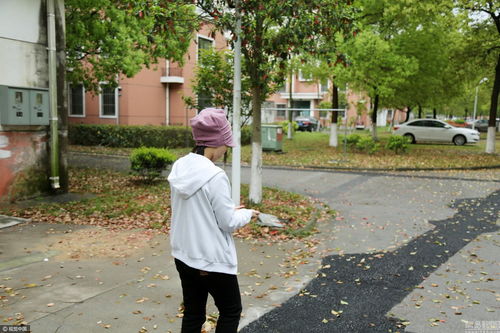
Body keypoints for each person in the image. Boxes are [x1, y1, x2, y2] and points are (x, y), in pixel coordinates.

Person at [167, 108, 259, 333]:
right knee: (230, 310)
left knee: (193, 312)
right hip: (210, 259)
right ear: (216, 142)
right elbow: (227, 222)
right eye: (225, 144)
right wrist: (247, 214)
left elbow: (194, 208)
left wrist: (228, 210)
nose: (225, 149)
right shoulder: (215, 175)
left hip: (184, 254)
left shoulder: (180, 167)